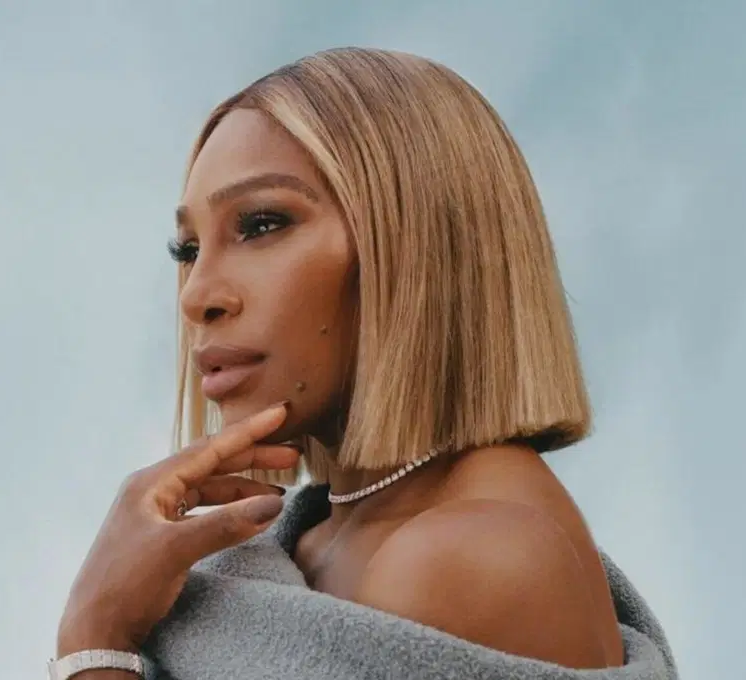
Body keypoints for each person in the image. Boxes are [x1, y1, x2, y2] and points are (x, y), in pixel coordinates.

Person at [51, 47, 674, 680]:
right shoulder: (314, 537)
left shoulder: (466, 558)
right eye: (186, 249)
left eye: (261, 224)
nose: (196, 296)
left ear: (420, 244)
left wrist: (95, 636)